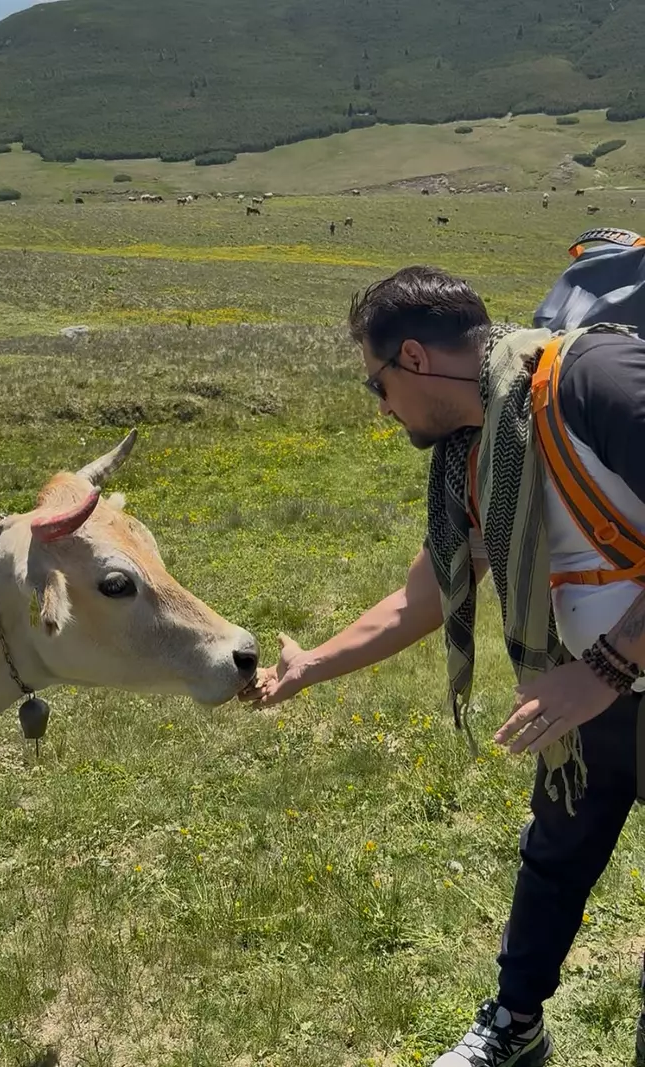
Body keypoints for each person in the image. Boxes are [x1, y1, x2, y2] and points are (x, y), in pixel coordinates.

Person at [240, 265, 645, 1067]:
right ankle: (515, 1023)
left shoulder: (594, 380)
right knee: (555, 856)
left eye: (376, 386)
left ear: (415, 360)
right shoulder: (483, 451)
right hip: (597, 703)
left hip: (597, 680)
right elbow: (417, 598)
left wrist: (602, 665)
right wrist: (312, 664)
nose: (381, 407)